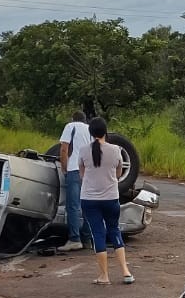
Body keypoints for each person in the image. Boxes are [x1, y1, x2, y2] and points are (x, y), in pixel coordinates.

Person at [78, 116, 135, 285]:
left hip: (89, 199)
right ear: (105, 131)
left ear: (90, 132)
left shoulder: (83, 150)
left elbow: (82, 174)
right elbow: (118, 174)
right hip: (111, 197)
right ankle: (125, 271)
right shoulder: (116, 150)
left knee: (98, 234)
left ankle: (104, 276)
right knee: (114, 230)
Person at [56, 109, 93, 252]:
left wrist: (64, 167)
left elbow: (64, 149)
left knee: (73, 206)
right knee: (87, 206)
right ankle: (87, 239)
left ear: (73, 119)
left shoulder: (70, 127)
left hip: (74, 169)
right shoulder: (90, 129)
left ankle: (74, 239)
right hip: (89, 171)